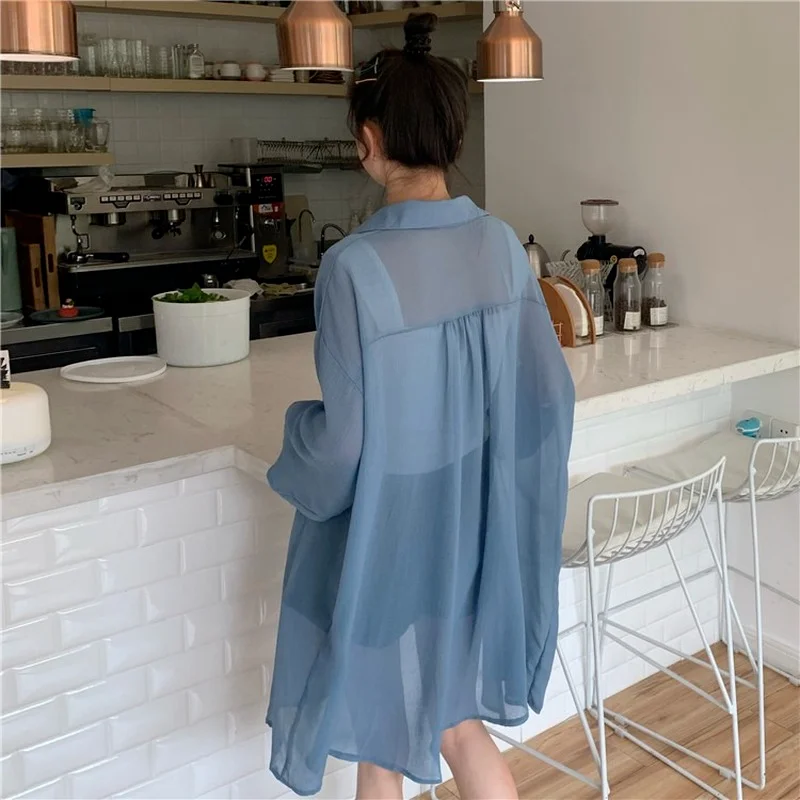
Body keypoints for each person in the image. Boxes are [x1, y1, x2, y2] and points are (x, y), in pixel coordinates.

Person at [266, 12, 575, 800]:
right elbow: (547, 396)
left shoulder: (353, 266)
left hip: (394, 535)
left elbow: (342, 448)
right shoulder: (501, 244)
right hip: (473, 530)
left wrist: (294, 438)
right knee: (456, 723)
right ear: (453, 135)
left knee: (381, 742)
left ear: (368, 140)